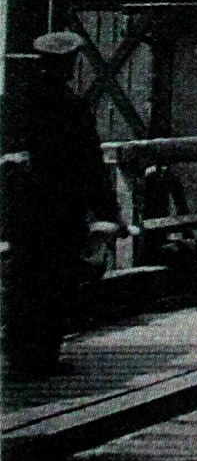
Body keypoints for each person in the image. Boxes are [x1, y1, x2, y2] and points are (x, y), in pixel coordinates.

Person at [4, 31, 132, 376]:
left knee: (24, 279)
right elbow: (89, 164)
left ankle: (19, 355)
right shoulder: (71, 107)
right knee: (54, 281)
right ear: (69, 65)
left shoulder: (18, 103)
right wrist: (110, 213)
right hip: (60, 208)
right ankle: (43, 356)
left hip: (24, 208)